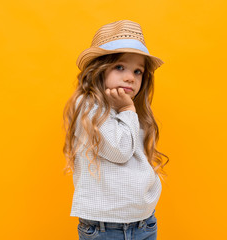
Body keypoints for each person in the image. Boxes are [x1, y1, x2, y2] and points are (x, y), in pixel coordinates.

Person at [62, 20, 169, 240]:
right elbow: (119, 151)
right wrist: (127, 109)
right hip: (105, 228)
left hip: (144, 222)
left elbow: (136, 159)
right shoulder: (87, 106)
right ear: (99, 70)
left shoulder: (130, 111)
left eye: (138, 71)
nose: (131, 76)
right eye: (120, 67)